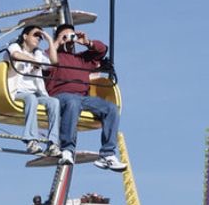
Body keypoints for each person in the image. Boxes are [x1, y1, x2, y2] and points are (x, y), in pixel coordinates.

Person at [46, 24, 127, 172]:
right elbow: (44, 59)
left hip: (83, 98)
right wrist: (57, 42)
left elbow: (102, 49)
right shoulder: (52, 56)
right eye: (65, 36)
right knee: (73, 102)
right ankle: (67, 149)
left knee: (111, 108)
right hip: (60, 96)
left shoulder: (82, 59)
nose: (69, 40)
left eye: (72, 36)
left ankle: (107, 154)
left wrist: (87, 42)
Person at [7, 25, 60, 155]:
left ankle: (53, 143)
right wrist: (33, 61)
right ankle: (31, 140)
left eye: (40, 37)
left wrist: (49, 40)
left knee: (54, 102)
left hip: (37, 93)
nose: (38, 39)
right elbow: (15, 55)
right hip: (17, 91)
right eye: (35, 35)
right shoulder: (15, 46)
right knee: (31, 99)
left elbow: (53, 62)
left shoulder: (39, 53)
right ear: (25, 36)